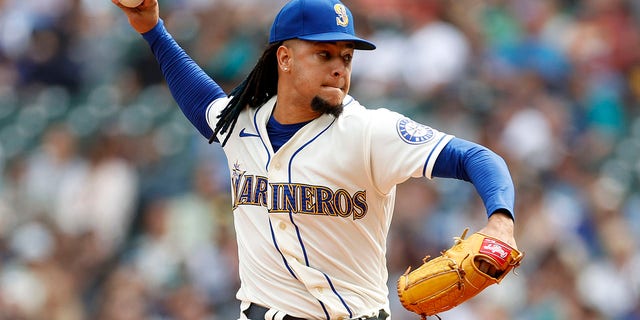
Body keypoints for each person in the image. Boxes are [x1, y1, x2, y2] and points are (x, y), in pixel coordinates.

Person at [112, 0, 519, 319]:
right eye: (324, 55)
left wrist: (500, 220)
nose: (339, 69)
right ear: (285, 59)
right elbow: (199, 96)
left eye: (346, 57)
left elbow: (476, 157)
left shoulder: (370, 132)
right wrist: (152, 29)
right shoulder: (241, 124)